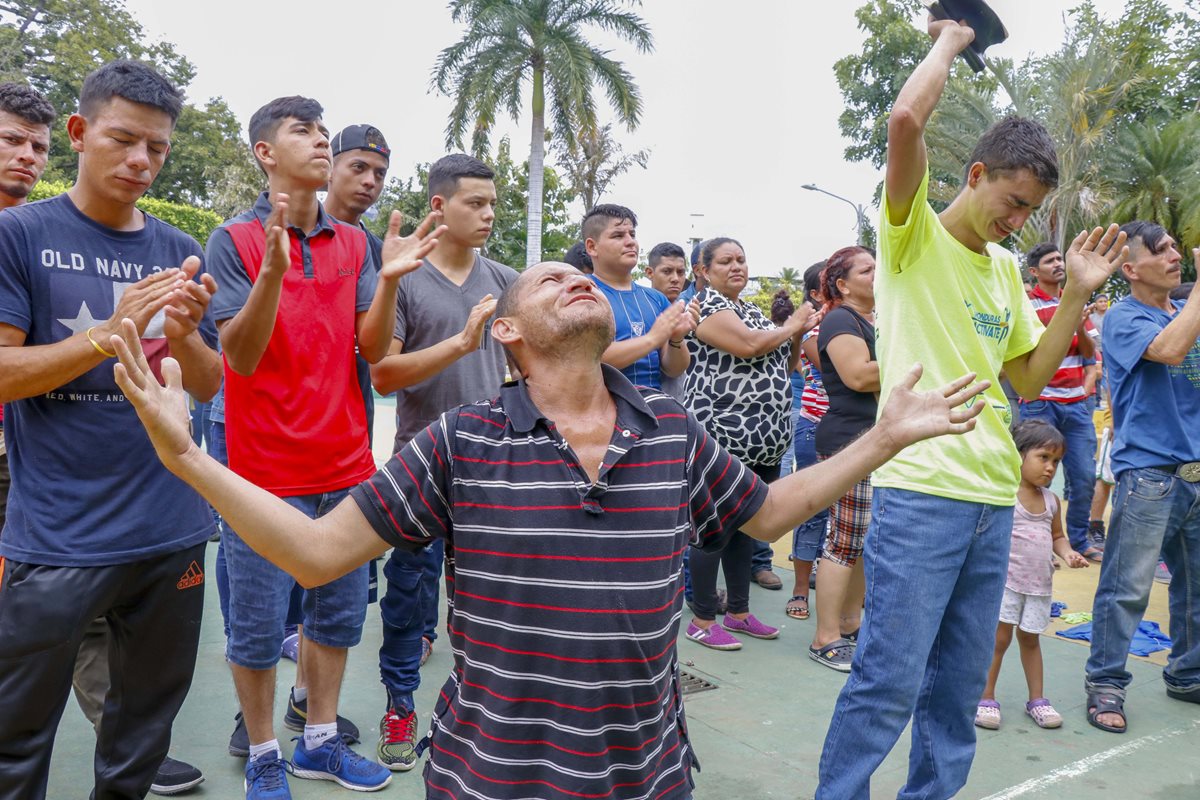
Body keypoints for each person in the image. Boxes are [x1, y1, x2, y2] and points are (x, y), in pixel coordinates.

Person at [110, 258, 989, 800]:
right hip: (487, 778)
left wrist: (880, 440)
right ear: (508, 332)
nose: (575, 279)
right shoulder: (461, 441)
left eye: (582, 278)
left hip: (647, 776)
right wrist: (188, 458)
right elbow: (314, 553)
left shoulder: (672, 432)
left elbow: (767, 511)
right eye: (546, 281)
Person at [815, 16, 1128, 798]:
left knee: (956, 693)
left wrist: (1076, 295)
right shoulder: (910, 236)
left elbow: (1026, 379)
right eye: (1012, 202)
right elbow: (905, 120)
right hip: (922, 492)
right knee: (888, 681)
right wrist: (954, 37)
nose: (1017, 222)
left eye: (1029, 213)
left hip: (995, 496)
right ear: (978, 173)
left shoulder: (1004, 273)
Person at [205, 94, 441, 798]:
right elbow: (239, 358)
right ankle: (264, 753)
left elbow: (373, 350)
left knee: (335, 618)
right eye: (301, 131)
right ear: (265, 152)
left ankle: (318, 741)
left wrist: (389, 282)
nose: (318, 141)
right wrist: (272, 274)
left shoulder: (357, 244)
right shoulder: (233, 239)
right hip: (261, 470)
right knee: (255, 627)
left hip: (344, 463)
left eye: (322, 131)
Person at [0, 60, 222, 800]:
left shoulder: (175, 247)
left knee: (141, 743)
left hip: (171, 532)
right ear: (78, 131)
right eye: (123, 139)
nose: (140, 160)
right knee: (15, 741)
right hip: (59, 537)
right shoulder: (19, 234)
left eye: (156, 148)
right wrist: (107, 333)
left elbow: (208, 384)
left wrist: (185, 334)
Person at [368, 152, 517, 773]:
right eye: (475, 203)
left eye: (492, 203)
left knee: (490, 604)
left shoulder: (506, 280)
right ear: (439, 205)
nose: (488, 214)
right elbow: (383, 374)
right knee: (408, 598)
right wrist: (459, 343)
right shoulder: (406, 279)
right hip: (422, 469)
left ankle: (485, 720)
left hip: (497, 471)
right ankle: (400, 708)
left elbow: (527, 368)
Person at [1084, 222, 1200, 734]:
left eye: (1175, 247)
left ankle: (1188, 674)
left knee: (1196, 588)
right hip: (1149, 474)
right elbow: (1169, 350)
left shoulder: (1185, 311)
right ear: (1130, 269)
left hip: (1195, 472)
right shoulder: (1124, 317)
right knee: (1126, 588)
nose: (1175, 255)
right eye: (1161, 250)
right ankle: (1105, 683)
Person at [683, 237, 816, 650]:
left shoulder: (752, 311)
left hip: (762, 442)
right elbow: (748, 346)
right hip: (721, 437)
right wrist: (792, 324)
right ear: (703, 271)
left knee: (746, 528)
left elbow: (787, 362)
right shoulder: (706, 306)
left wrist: (796, 333)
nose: (737, 266)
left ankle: (738, 613)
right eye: (725, 261)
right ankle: (703, 619)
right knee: (713, 529)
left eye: (741, 259)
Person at [976, 421, 1089, 731]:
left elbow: (1057, 536)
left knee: (1030, 639)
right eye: (1043, 457)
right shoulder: (1005, 494)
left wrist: (1068, 553)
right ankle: (986, 698)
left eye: (1056, 461)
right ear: (1018, 455)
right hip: (1006, 584)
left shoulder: (1051, 501)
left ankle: (1037, 700)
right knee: (999, 640)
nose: (1050, 467)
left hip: (1039, 587)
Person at [808, 247, 879, 672]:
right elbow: (858, 375)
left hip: (874, 441)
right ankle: (825, 636)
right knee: (844, 540)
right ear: (843, 284)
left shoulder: (874, 320)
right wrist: (923, 357)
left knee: (864, 542)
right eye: (867, 269)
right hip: (850, 443)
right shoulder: (840, 320)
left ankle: (850, 624)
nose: (877, 274)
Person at [1020, 242, 1103, 561]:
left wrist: (1079, 324)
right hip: (1039, 401)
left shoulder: (1076, 301)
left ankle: (1079, 542)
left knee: (1084, 476)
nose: (1058, 264)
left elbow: (1088, 353)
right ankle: (1041, 542)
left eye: (1060, 259)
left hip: (1076, 404)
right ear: (1034, 271)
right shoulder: (1026, 304)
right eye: (1050, 261)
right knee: (1033, 475)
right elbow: (1026, 348)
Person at [585, 204, 692, 390]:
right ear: (592, 247)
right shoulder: (583, 292)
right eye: (618, 235)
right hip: (601, 404)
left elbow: (674, 369)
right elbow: (590, 359)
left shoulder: (656, 299)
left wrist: (677, 339)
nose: (630, 242)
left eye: (632, 234)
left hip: (653, 403)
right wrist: (652, 339)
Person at [785, 261, 830, 621]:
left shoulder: (872, 321)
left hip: (861, 429)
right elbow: (842, 372)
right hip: (817, 426)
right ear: (816, 293)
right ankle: (800, 589)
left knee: (855, 519)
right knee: (813, 511)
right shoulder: (815, 329)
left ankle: (843, 596)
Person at [645, 241, 691, 402]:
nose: (675, 279)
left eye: (680, 272)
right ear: (650, 273)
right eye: (667, 271)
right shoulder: (641, 311)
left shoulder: (690, 311)